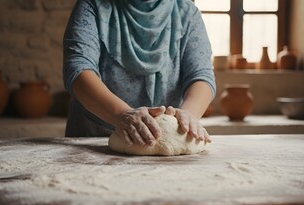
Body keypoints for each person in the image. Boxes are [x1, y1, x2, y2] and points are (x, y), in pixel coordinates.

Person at [63, 0, 216, 147]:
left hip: (163, 138)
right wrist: (121, 115)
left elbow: (201, 75)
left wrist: (188, 115)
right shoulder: (93, 5)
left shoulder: (187, 12)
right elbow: (78, 68)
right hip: (93, 138)